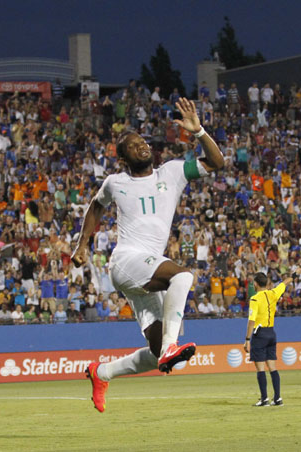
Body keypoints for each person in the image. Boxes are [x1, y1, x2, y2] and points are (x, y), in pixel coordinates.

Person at [72, 98, 224, 413]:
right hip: (126, 261)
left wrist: (198, 132)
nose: (141, 146)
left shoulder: (172, 172)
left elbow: (217, 162)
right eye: (132, 145)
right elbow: (96, 206)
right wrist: (82, 244)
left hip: (145, 271)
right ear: (122, 157)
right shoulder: (116, 182)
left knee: (159, 357)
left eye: (142, 142)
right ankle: (171, 346)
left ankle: (102, 372)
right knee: (182, 276)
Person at [244, 272, 293, 406]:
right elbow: (285, 282)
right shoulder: (274, 293)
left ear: (255, 284)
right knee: (272, 367)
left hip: (259, 335)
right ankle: (277, 398)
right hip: (271, 332)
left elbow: (251, 321)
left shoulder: (254, 299)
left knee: (260, 368)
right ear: (266, 283)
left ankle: (264, 398)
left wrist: (247, 339)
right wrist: (295, 274)